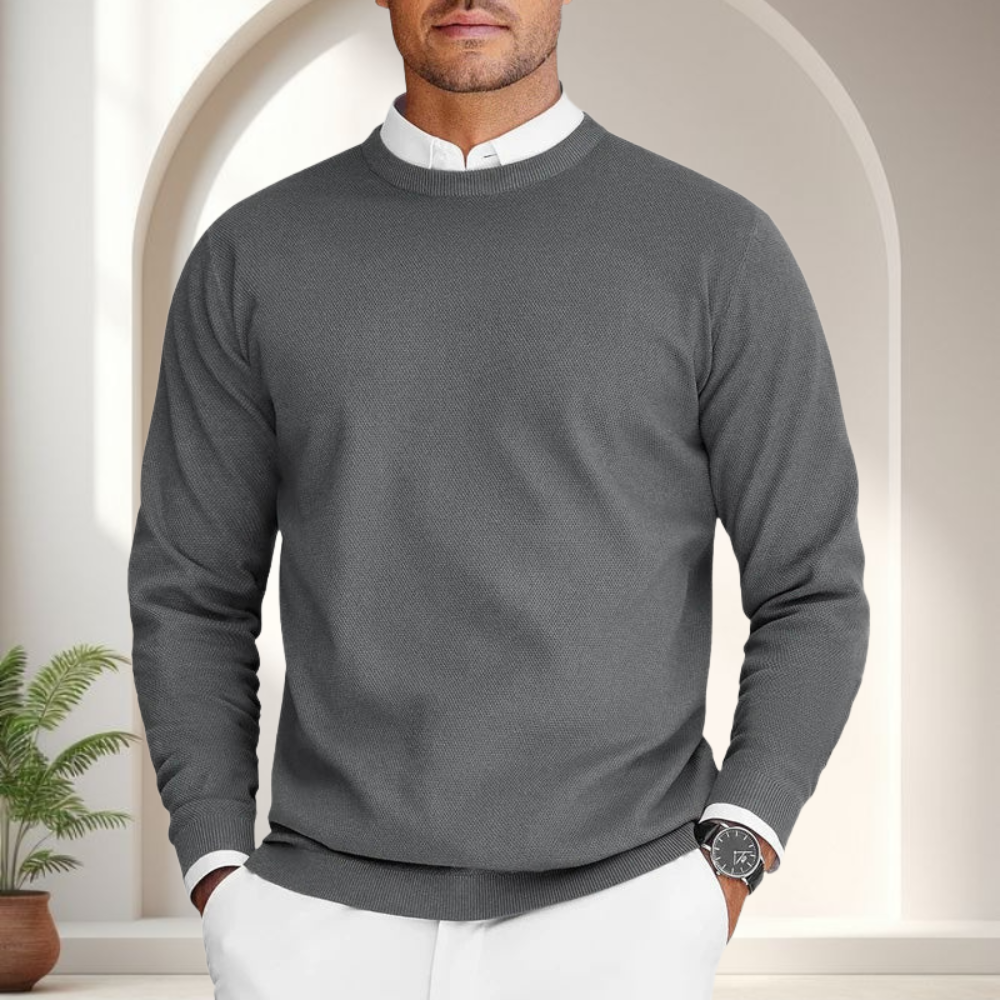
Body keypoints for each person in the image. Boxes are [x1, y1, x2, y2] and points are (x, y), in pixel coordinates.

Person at [127, 0, 870, 997]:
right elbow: (190, 593)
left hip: (625, 912)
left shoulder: (716, 250)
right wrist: (219, 868)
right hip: (314, 921)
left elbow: (813, 589)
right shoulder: (251, 257)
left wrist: (729, 863)